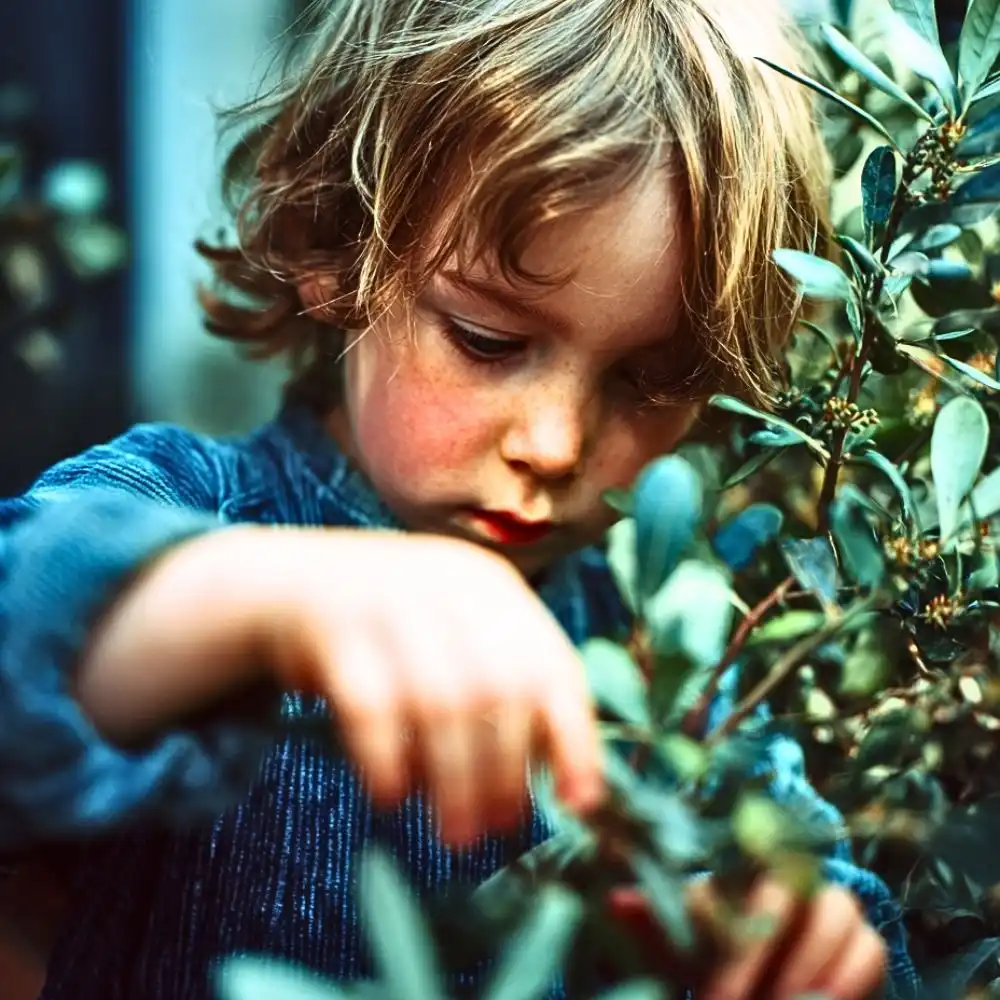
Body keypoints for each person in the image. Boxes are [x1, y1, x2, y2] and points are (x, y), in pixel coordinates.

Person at [0, 1, 918, 998]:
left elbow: (809, 879)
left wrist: (803, 936)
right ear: (330, 242)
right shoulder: (201, 512)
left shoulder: (656, 645)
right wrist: (266, 599)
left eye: (647, 381)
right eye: (487, 340)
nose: (554, 445)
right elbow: (32, 621)